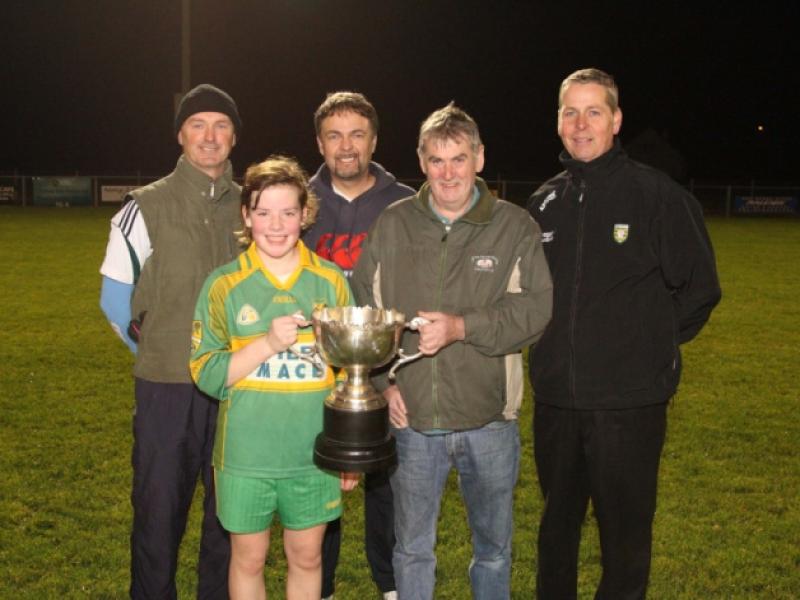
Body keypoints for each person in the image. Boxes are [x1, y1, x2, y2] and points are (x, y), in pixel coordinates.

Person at [527, 68, 721, 599]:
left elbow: (700, 289)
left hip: (628, 406)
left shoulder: (656, 196)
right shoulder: (543, 202)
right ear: (558, 121)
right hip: (557, 402)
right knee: (555, 535)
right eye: (570, 112)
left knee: (625, 543)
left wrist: (646, 344)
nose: (581, 124)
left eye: (594, 112)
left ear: (615, 120)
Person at [351, 103, 553, 600]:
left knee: (494, 551)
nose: (448, 173)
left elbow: (535, 310)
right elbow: (364, 311)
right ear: (422, 162)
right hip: (413, 422)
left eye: (459, 159)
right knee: (412, 550)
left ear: (479, 158)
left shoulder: (514, 226)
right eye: (437, 160)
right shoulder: (393, 224)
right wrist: (382, 385)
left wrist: (462, 327)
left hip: (490, 419)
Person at [190, 155, 359, 599]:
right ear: (246, 216)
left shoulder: (330, 282)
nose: (277, 225)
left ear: (305, 215)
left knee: (308, 557)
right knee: (248, 559)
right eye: (264, 212)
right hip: (246, 457)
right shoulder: (223, 285)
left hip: (313, 455)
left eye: (288, 212)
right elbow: (206, 373)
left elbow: (349, 376)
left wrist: (347, 450)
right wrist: (266, 344)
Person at [99, 83, 243, 599]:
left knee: (230, 517)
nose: (210, 136)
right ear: (180, 134)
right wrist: (158, 352)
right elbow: (114, 301)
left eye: (221, 125)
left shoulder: (251, 206)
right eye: (197, 125)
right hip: (167, 387)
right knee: (158, 515)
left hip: (236, 387)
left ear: (234, 137)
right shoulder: (146, 205)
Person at [303, 91, 414, 600]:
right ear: (320, 143)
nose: (345, 146)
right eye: (334, 135)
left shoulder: (405, 202)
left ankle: (389, 582)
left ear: (374, 141)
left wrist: (396, 373)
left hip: (385, 365)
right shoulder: (300, 201)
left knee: (386, 476)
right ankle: (320, 584)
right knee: (317, 475)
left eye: (356, 135)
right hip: (315, 363)